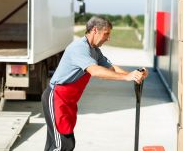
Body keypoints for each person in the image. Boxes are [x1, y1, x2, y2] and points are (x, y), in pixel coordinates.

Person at [41, 16, 149, 151]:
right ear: (95, 30)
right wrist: (127, 77)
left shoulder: (94, 50)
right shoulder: (79, 48)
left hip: (67, 101)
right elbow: (95, 71)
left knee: (59, 144)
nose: (108, 38)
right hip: (56, 98)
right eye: (106, 33)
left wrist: (133, 74)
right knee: (62, 145)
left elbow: (111, 68)